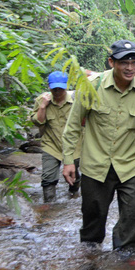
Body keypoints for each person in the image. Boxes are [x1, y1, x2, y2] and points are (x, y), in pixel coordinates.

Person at [62, 40, 135, 251]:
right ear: (111, 62)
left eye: (133, 62)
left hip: (131, 167)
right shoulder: (91, 86)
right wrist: (68, 161)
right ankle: (89, 261)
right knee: (93, 225)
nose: (130, 68)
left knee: (133, 220)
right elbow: (72, 126)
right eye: (124, 62)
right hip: (96, 166)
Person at [30, 71, 81, 203]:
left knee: (74, 174)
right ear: (49, 87)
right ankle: (49, 205)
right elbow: (37, 122)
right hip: (51, 145)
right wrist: (42, 107)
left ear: (66, 86)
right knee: (48, 178)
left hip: (74, 146)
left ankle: (73, 194)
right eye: (54, 88)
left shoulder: (77, 99)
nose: (57, 91)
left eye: (61, 88)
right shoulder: (41, 100)